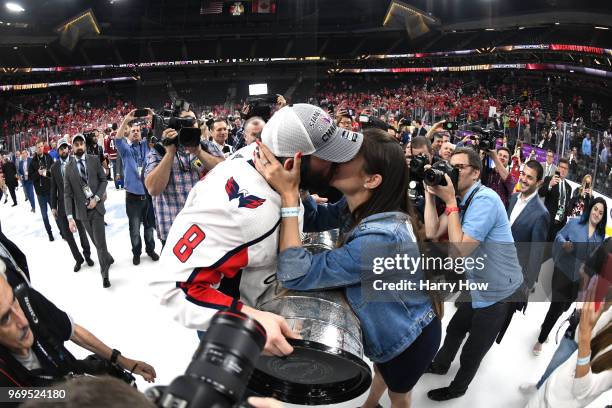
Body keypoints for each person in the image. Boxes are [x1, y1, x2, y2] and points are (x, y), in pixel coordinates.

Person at [149, 103, 364, 355]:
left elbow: (308, 219)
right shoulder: (241, 213)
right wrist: (247, 318)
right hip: (239, 333)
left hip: (269, 307)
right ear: (294, 162)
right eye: (328, 157)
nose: (338, 162)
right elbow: (174, 286)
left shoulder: (276, 167)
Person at [257, 129, 441, 408]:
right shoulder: (358, 205)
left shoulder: (382, 239)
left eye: (347, 157)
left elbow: (297, 273)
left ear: (371, 180)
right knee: (382, 369)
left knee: (399, 395)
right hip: (391, 328)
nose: (334, 158)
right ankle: (370, 405)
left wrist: (289, 196)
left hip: (409, 340)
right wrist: (302, 181)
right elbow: (317, 219)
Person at [423, 147, 525, 401]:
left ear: (476, 173)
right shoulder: (462, 200)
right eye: (450, 166)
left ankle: (458, 389)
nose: (452, 172)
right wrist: (429, 194)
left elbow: (459, 252)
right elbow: (432, 232)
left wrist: (448, 203)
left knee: (473, 350)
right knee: (456, 328)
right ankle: (441, 364)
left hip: (499, 290)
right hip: (477, 282)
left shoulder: (486, 200)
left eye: (459, 168)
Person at [0, 263, 156, 388]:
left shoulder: (28, 301)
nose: (22, 321)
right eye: (5, 318)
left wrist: (124, 362)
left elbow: (74, 332)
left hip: (75, 375)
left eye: (14, 301)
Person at [532, 198, 607, 356]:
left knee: (564, 308)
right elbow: (559, 236)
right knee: (557, 307)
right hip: (563, 271)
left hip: (579, 279)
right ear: (590, 209)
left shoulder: (600, 236)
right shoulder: (575, 223)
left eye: (601, 213)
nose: (597, 214)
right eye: (595, 209)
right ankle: (541, 339)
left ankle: (546, 324)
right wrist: (564, 243)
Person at [144, 110, 224, 246]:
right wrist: (170, 153)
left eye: (194, 120)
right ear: (175, 125)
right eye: (187, 121)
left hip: (205, 226)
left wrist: (199, 152)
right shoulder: (159, 150)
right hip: (173, 229)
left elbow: (225, 171)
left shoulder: (205, 145)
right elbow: (153, 189)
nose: (193, 124)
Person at [526, 282, 612, 408]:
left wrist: (585, 336)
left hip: (556, 402)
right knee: (554, 366)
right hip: (575, 336)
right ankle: (539, 386)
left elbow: (582, 391)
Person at [64, 134, 114, 288]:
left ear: (85, 145)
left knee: (99, 242)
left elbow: (104, 180)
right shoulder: (68, 167)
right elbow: (67, 194)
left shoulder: (93, 160)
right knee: (96, 242)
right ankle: (108, 257)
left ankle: (104, 274)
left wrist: (97, 198)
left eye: (81, 144)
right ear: (72, 147)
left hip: (97, 208)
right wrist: (70, 217)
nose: (79, 147)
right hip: (82, 213)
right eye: (76, 144)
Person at [115, 114, 159, 265]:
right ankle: (136, 252)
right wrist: (126, 120)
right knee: (134, 229)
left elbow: (156, 131)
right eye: (132, 130)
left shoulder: (147, 145)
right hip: (132, 197)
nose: (135, 132)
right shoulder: (126, 150)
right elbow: (117, 139)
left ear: (141, 133)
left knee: (149, 227)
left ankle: (150, 249)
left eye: (138, 130)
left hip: (148, 195)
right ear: (129, 133)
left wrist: (151, 116)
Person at [49, 138, 93, 272]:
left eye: (65, 147)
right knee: (68, 236)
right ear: (58, 151)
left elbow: (84, 182)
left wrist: (90, 196)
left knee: (82, 233)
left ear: (69, 149)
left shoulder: (76, 162)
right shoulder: (54, 167)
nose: (63, 150)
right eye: (61, 148)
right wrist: (53, 206)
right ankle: (78, 259)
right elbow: (53, 188)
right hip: (63, 207)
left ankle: (87, 255)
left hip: (78, 203)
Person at [508, 160, 550, 290]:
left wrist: (525, 287)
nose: (524, 179)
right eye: (523, 174)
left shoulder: (541, 214)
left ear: (538, 183)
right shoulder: (513, 198)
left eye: (529, 177)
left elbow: (536, 255)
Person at [539, 158, 572, 250]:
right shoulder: (549, 179)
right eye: (561, 167)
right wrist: (550, 185)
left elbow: (566, 205)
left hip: (560, 224)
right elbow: (541, 193)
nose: (563, 170)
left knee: (550, 250)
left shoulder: (569, 187)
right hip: (548, 221)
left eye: (565, 168)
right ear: (557, 168)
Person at [29, 140, 57, 241]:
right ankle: (49, 233)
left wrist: (48, 172)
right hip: (40, 194)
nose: (40, 148)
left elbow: (54, 169)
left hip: (50, 190)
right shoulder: (32, 162)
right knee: (44, 215)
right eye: (38, 147)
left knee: (55, 212)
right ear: (35, 148)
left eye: (41, 146)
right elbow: (30, 177)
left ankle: (62, 232)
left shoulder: (48, 156)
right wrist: (38, 173)